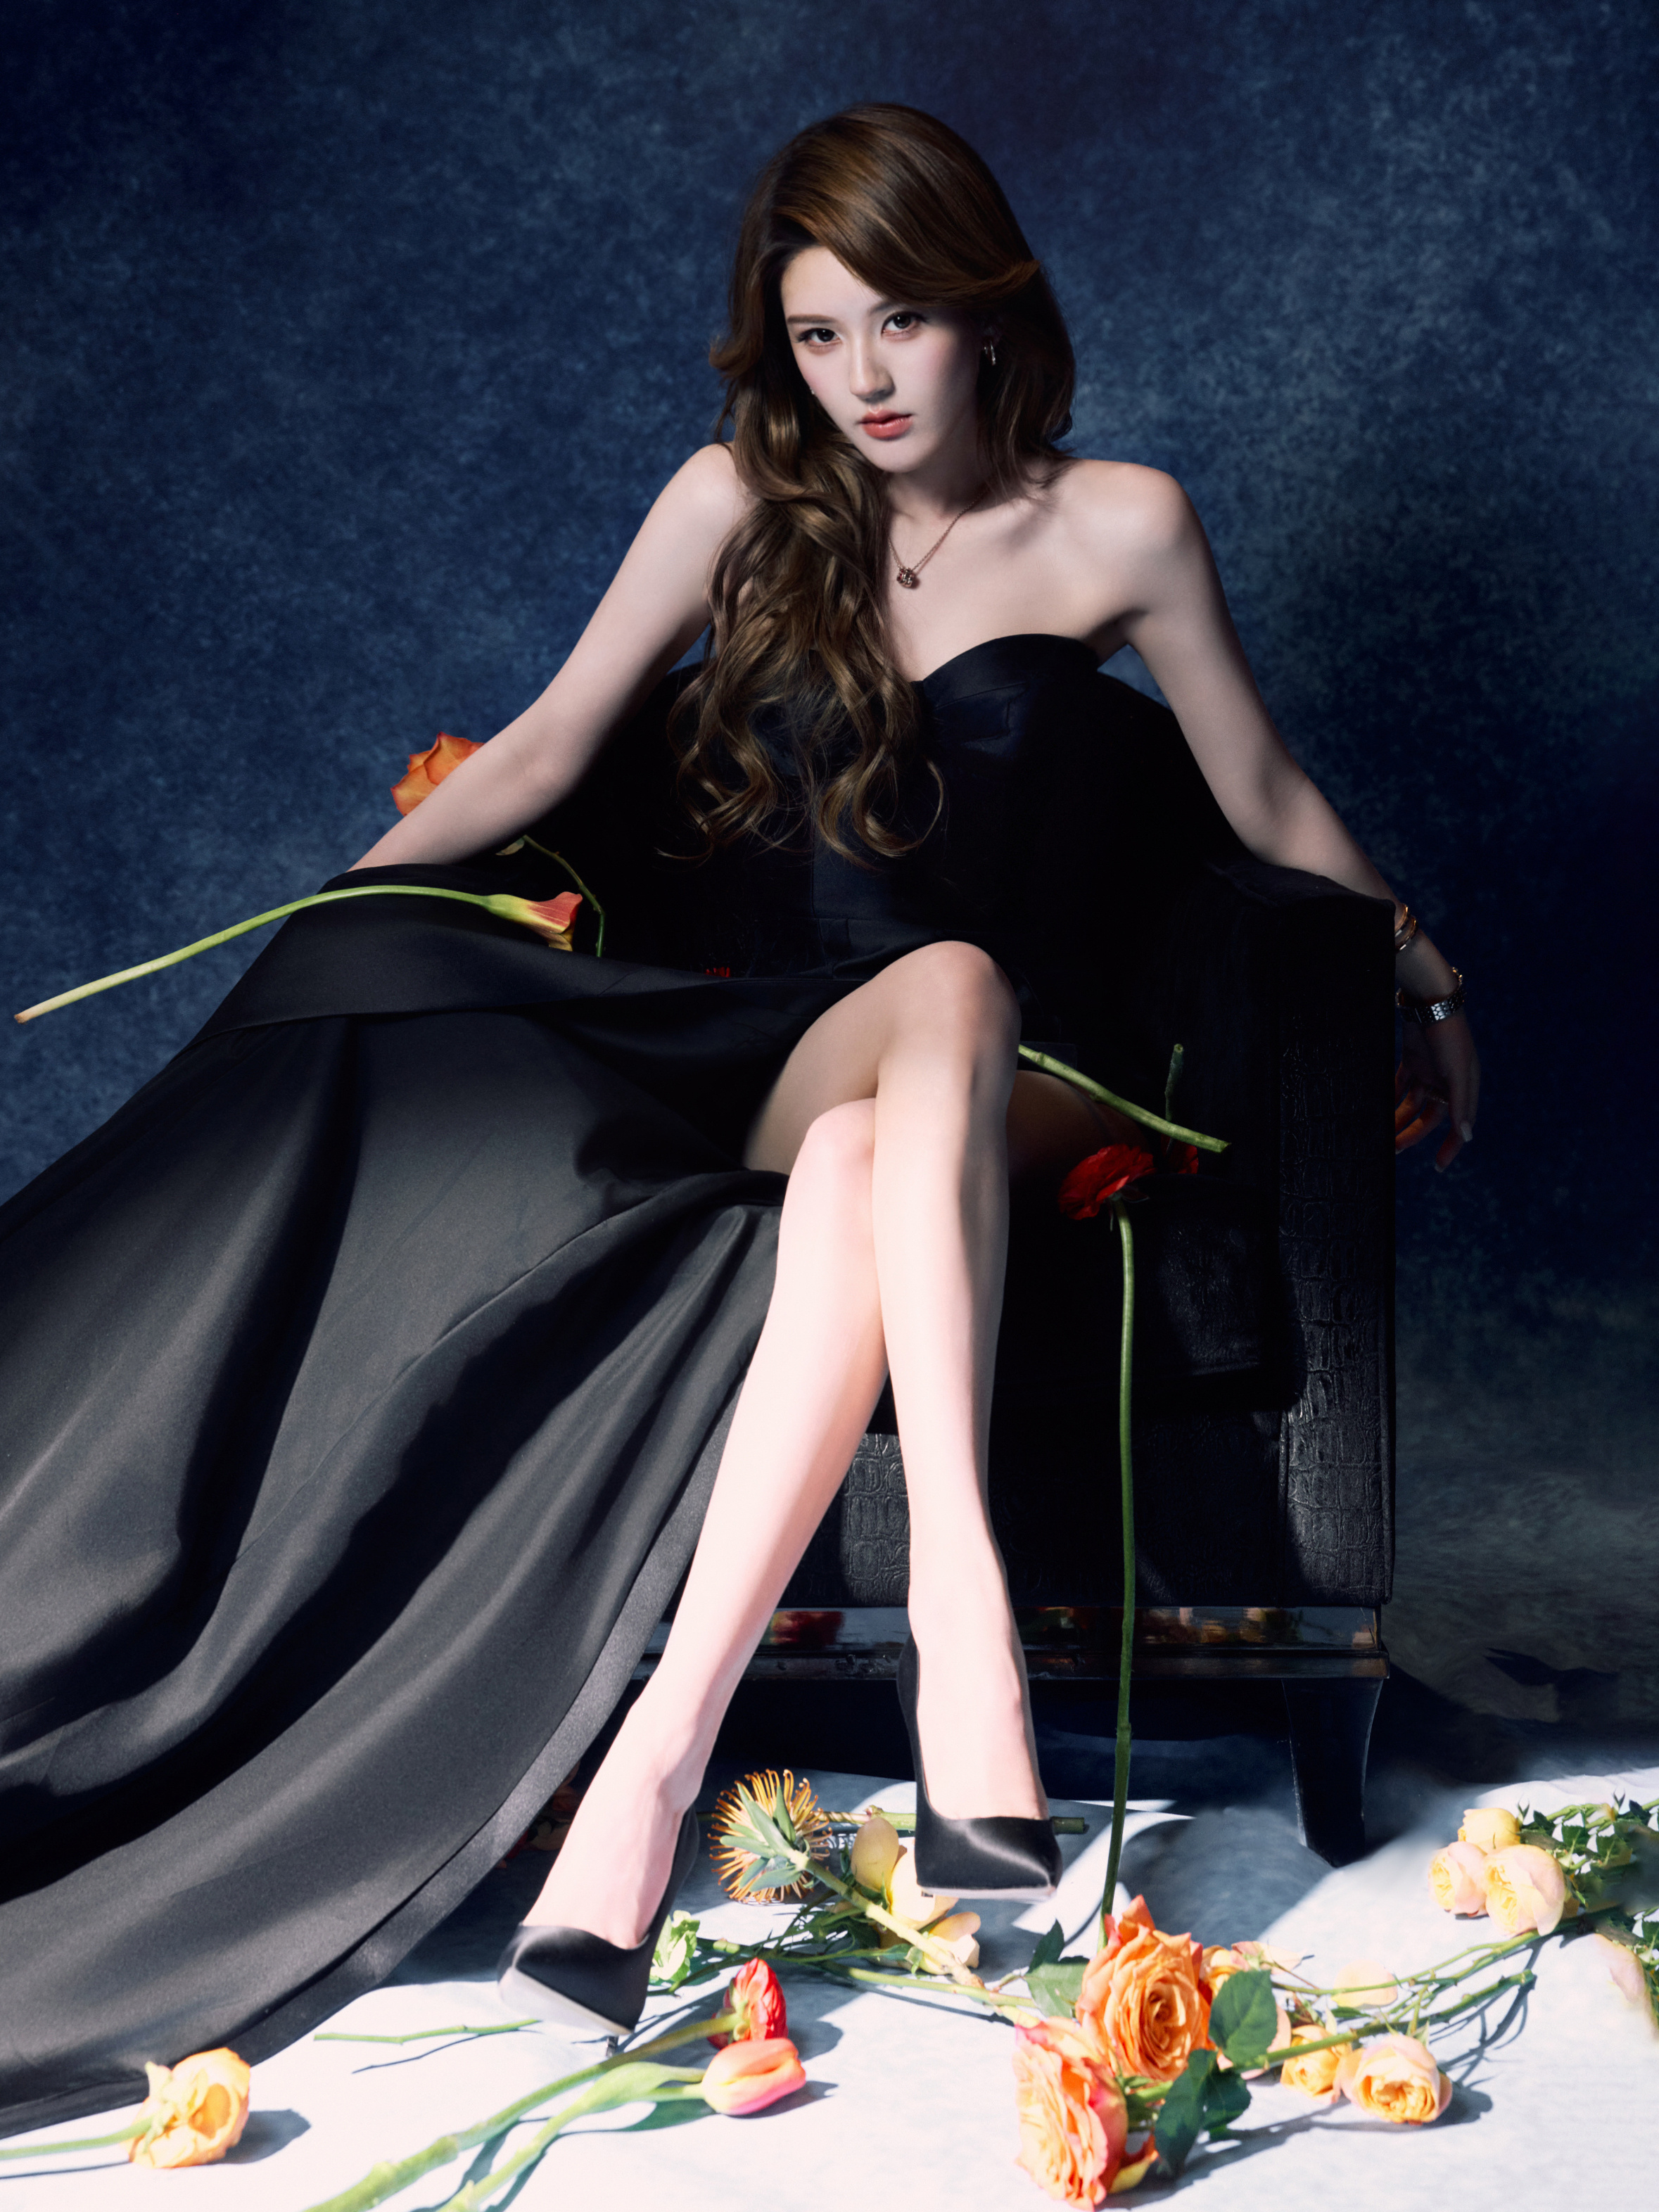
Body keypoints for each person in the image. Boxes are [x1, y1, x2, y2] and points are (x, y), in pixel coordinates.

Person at [0, 103, 1477, 2121]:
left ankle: (657, 1759)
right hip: (788, 1041)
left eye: (903, 321)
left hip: (1038, 1078)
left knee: (936, 1041)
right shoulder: (734, 503)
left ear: (989, 310)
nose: (866, 378)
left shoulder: (1126, 523)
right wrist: (336, 913)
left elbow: (1266, 796)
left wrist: (1424, 974)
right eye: (817, 335)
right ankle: (962, 1620)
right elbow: (548, 746)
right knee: (893, 1050)